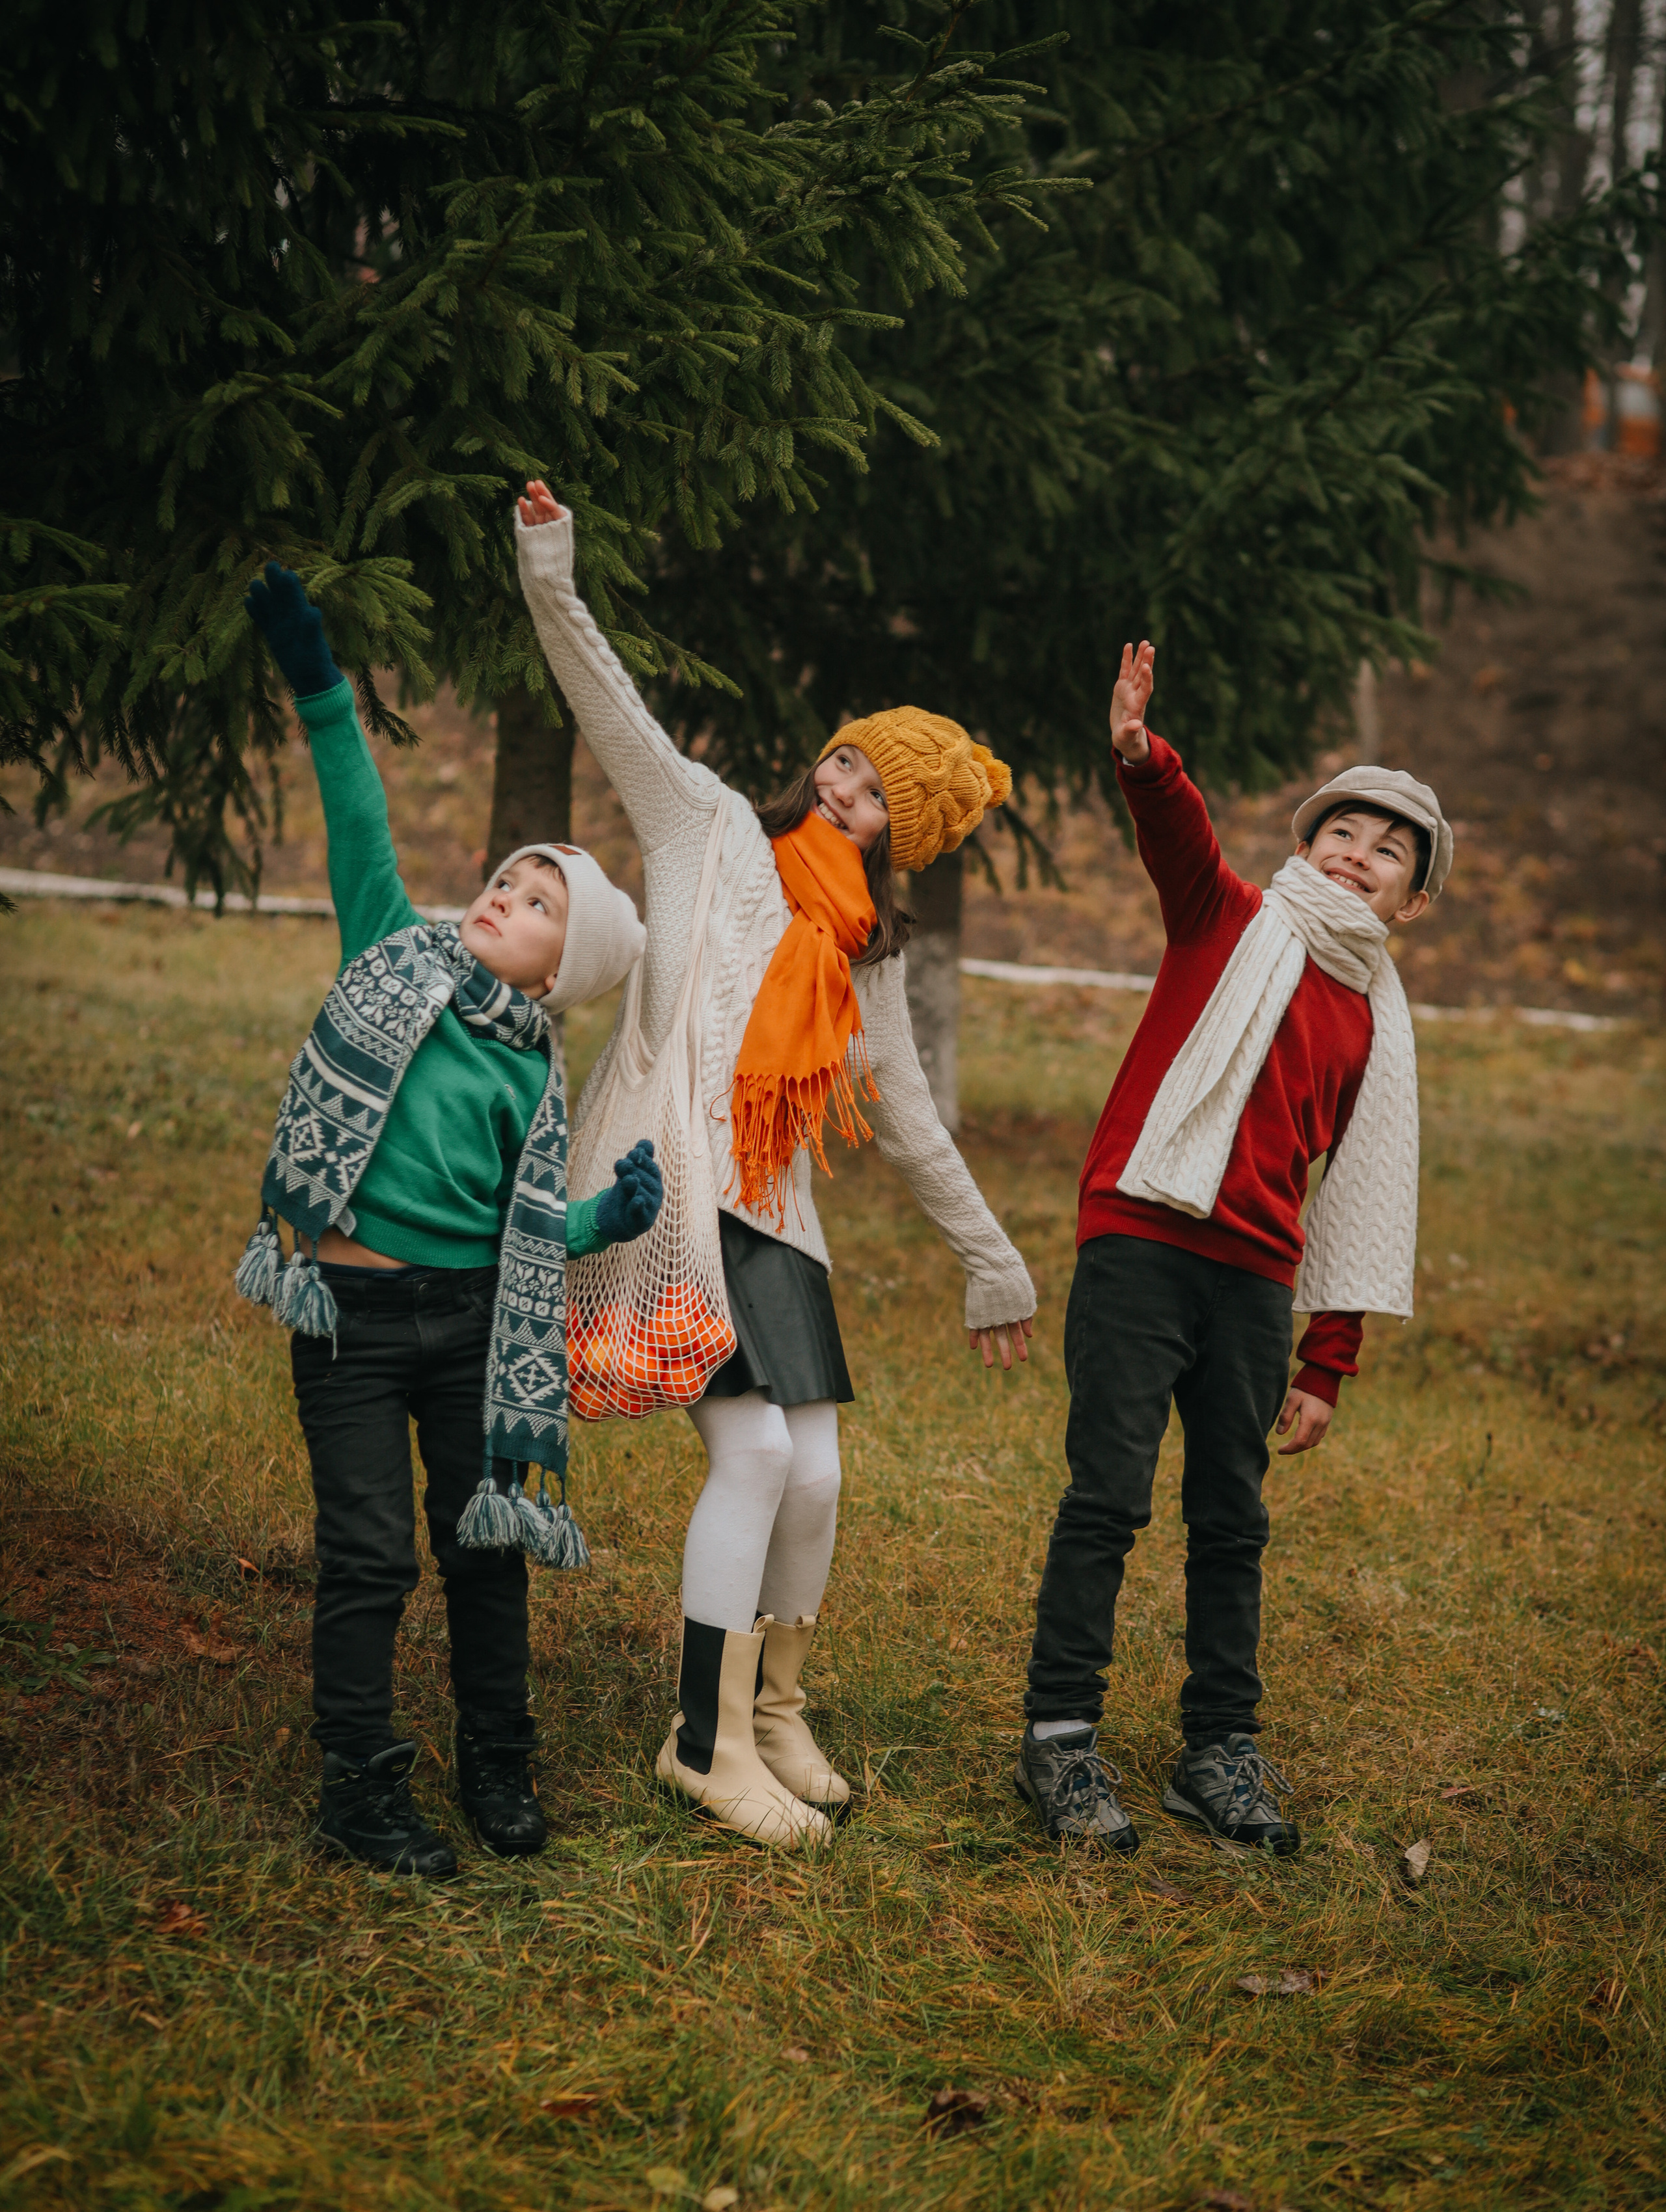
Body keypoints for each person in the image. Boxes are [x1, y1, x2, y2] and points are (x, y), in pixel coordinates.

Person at [513, 479, 1038, 1848]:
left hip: (771, 1221)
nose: (841, 783)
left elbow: (912, 1125)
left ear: (896, 840)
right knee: (750, 1455)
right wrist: (550, 560)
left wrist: (992, 1261)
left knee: (817, 1475)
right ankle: (703, 1739)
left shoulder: (866, 958)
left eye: (872, 793)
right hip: (668, 1189)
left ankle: (775, 1704)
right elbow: (603, 695)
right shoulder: (707, 833)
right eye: (845, 761)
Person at [238, 564, 661, 1879]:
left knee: (482, 1556)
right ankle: (360, 1787)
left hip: (476, 1325)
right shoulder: (390, 956)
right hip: (352, 1321)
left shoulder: (532, 1070)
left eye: (540, 905)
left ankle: (499, 1761)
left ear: (563, 970)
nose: (503, 899)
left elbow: (523, 1223)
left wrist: (605, 1213)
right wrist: (320, 685)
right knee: (366, 1556)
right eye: (506, 880)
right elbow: (358, 820)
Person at [1015, 640, 1453, 1858]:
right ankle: (1059, 1742)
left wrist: (1326, 1360)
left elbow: (1361, 1190)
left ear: (1410, 902)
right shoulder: (1231, 918)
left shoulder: (1373, 1015)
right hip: (1141, 1242)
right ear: (1308, 847)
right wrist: (1141, 754)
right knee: (1106, 1497)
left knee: (1231, 1517)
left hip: (1258, 1278)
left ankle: (1218, 1748)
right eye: (1342, 833)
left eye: (1388, 850)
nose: (1357, 855)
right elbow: (1179, 838)